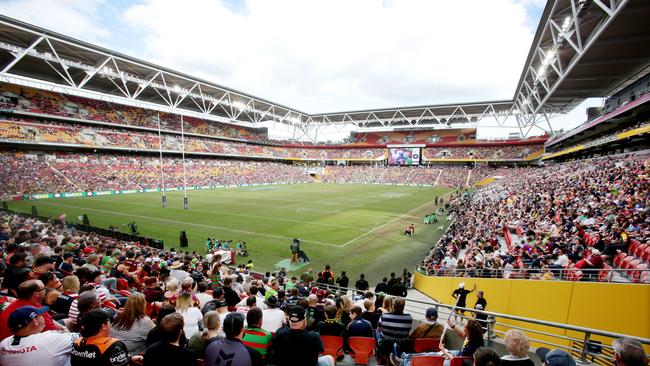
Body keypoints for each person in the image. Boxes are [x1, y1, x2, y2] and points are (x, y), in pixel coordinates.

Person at [0, 305, 74, 366]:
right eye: (41, 315)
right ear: (35, 321)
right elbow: (81, 338)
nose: (43, 317)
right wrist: (66, 331)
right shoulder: (49, 339)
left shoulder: (3, 344)